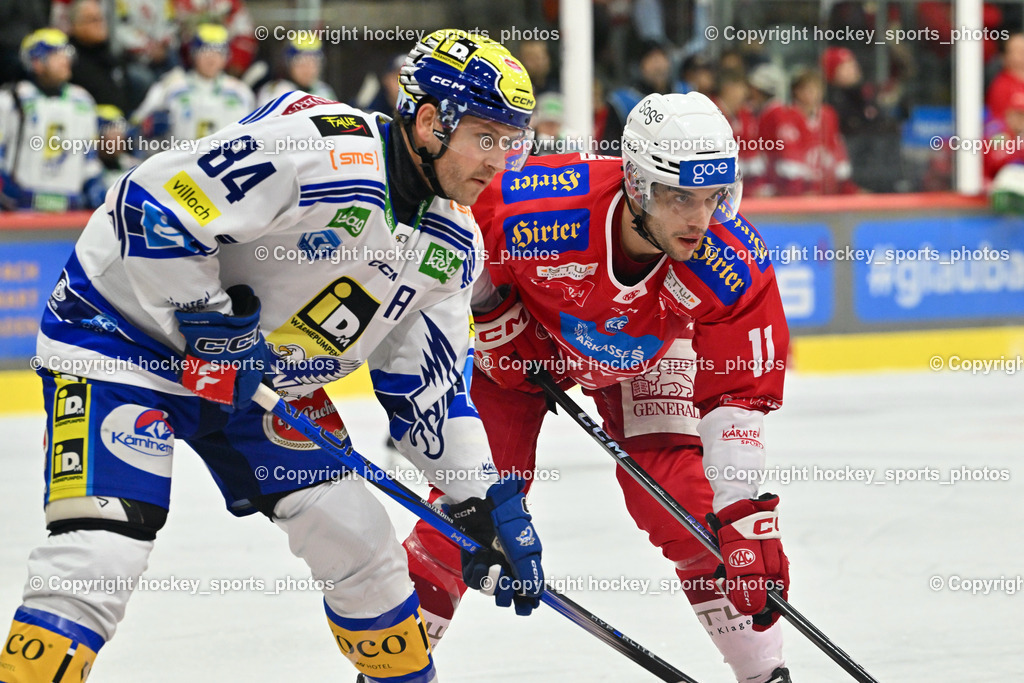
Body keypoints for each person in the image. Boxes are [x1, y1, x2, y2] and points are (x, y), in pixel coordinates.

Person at [0, 28, 544, 683]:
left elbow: (426, 392)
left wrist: (481, 503)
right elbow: (157, 204)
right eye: (487, 137)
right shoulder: (319, 150)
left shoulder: (451, 244)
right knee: (98, 555)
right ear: (430, 121)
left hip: (257, 378)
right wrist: (210, 318)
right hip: (124, 336)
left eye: (512, 141)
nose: (500, 160)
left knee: (365, 545)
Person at [402, 92, 793, 683]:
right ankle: (393, 670)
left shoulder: (731, 260)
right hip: (527, 350)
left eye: (713, 197)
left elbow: (737, 392)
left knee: (688, 508)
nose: (699, 220)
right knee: (467, 511)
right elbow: (452, 238)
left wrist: (740, 512)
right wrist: (491, 312)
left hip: (650, 348)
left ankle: (766, 675)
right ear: (637, 185)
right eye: (680, 196)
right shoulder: (538, 201)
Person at [0, 28, 104, 211]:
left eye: (66, 54)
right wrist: (9, 191)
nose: (66, 60)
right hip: (21, 210)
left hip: (70, 210)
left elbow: (90, 160)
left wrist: (94, 189)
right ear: (36, 62)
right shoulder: (11, 99)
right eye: (57, 54)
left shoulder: (83, 101)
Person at [130, 23, 254, 147]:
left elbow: (256, 133)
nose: (211, 58)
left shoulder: (241, 91)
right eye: (205, 51)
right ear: (193, 53)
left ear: (227, 57)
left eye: (218, 52)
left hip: (228, 162)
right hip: (179, 162)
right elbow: (136, 126)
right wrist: (148, 127)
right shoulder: (171, 85)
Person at [256, 34, 336, 106]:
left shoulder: (325, 92)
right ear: (289, 65)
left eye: (313, 63)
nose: (307, 69)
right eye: (301, 63)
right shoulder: (276, 92)